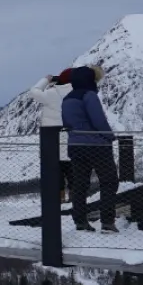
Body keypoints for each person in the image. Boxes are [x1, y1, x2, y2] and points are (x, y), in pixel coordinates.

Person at [62, 66, 118, 232]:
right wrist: (110, 136)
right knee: (109, 182)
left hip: (75, 146)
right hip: (97, 146)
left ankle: (80, 221)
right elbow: (98, 121)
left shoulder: (67, 98)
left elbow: (66, 122)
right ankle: (107, 221)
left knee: (80, 184)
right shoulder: (89, 96)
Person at [29, 69, 74, 204]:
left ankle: (59, 199)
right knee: (73, 171)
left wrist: (46, 80)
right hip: (71, 137)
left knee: (56, 172)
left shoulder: (51, 94)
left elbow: (34, 92)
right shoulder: (77, 93)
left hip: (52, 139)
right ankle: (75, 198)